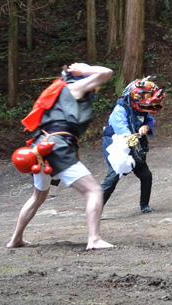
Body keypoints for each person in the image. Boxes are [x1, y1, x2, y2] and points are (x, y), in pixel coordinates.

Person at [7, 62, 115, 250]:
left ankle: (15, 239)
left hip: (40, 148)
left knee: (38, 197)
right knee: (94, 191)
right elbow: (107, 72)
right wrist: (84, 70)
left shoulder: (60, 92)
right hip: (57, 147)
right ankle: (94, 239)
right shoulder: (74, 87)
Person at [100, 77, 164, 214]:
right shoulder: (120, 109)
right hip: (117, 145)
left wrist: (146, 127)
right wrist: (131, 136)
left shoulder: (142, 109)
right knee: (113, 177)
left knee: (146, 175)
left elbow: (149, 120)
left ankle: (144, 205)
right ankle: (95, 209)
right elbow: (120, 128)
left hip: (134, 145)